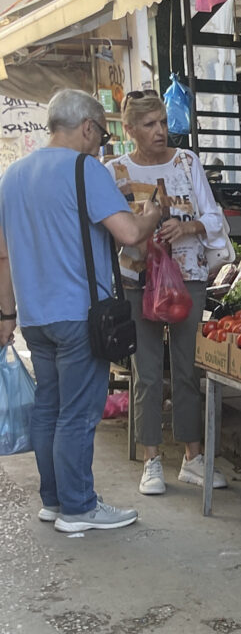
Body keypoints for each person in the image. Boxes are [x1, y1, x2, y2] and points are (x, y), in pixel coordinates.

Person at [0, 88, 162, 532]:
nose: (101, 144)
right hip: (78, 313)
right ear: (88, 127)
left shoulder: (12, 176)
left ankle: (53, 500)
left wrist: (7, 316)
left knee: (49, 408)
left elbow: (3, 256)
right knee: (77, 413)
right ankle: (78, 506)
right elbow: (128, 233)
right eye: (103, 135)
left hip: (34, 317)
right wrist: (153, 214)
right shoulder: (84, 169)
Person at [106, 92, 231, 496]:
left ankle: (193, 458)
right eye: (149, 124)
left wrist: (188, 227)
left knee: (187, 368)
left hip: (187, 276)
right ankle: (152, 460)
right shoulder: (114, 172)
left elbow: (213, 215)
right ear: (130, 130)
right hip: (136, 280)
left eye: (162, 121)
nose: (160, 130)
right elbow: (109, 228)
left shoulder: (187, 161)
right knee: (144, 372)